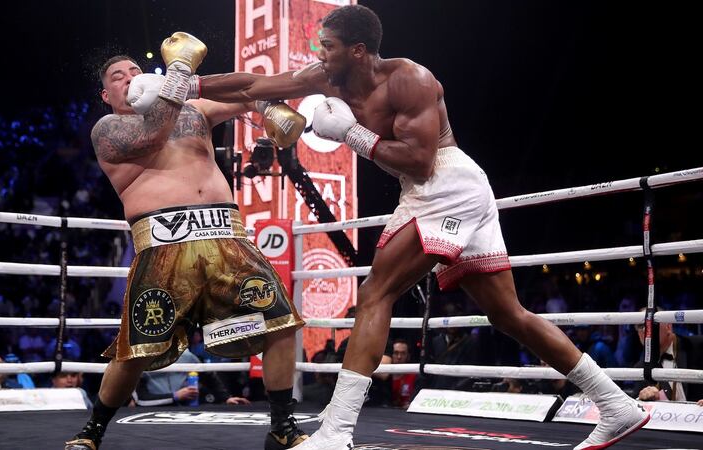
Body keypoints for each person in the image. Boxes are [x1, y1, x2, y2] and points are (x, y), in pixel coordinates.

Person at [195, 5, 649, 449]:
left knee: (376, 293)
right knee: (508, 315)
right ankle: (616, 404)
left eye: (328, 46)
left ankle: (335, 432)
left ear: (357, 50)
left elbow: (421, 160)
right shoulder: (326, 75)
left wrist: (352, 134)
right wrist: (183, 83)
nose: (320, 54)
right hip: (432, 189)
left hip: (446, 183)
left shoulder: (411, 79)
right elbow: (253, 83)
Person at [65, 32, 309, 450]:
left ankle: (282, 426)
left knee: (280, 322)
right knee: (138, 350)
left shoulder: (192, 111)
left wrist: (275, 103)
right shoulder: (109, 129)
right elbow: (152, 134)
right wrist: (179, 71)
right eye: (118, 77)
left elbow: (245, 91)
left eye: (136, 71)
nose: (129, 78)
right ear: (106, 95)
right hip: (164, 246)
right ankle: (93, 430)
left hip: (227, 238)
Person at [131, 349, 250, 406]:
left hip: (183, 411)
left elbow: (208, 375)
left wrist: (226, 398)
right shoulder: (141, 360)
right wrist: (175, 396)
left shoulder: (186, 355)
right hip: (151, 413)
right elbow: (141, 400)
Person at [633, 310, 703, 402]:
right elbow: (635, 405)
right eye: (640, 326)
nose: (645, 330)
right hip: (667, 415)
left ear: (668, 326)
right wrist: (643, 397)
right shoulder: (641, 367)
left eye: (651, 324)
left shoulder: (698, 346)